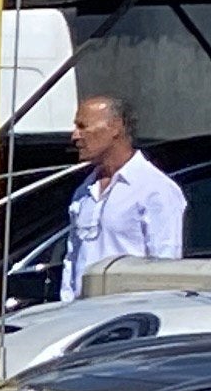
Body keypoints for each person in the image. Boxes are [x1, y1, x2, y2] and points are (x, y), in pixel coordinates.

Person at [60, 93, 185, 298]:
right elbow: (72, 260)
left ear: (115, 127)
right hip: (81, 317)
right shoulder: (84, 191)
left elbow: (165, 267)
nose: (75, 136)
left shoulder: (155, 189)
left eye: (83, 127)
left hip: (127, 317)